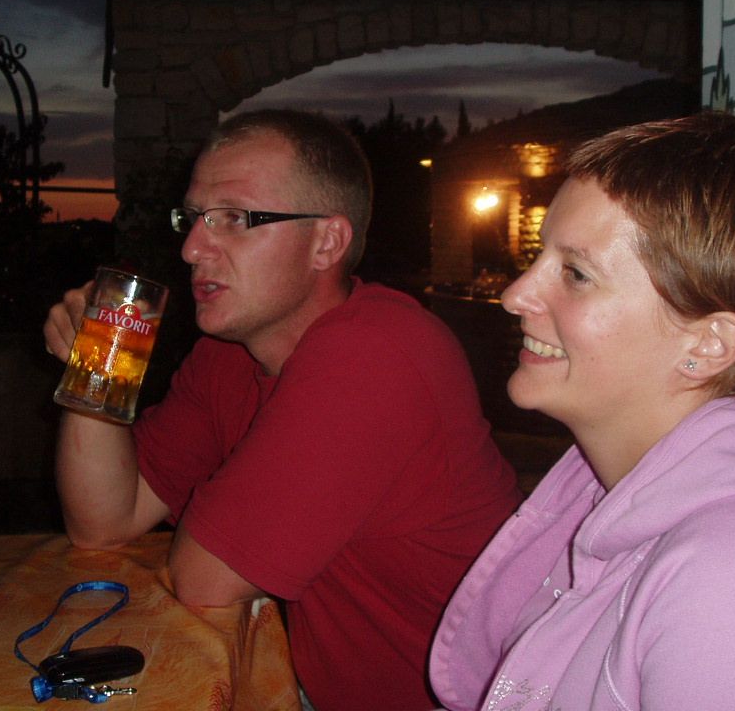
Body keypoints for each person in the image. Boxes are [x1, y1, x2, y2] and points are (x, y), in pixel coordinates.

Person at [44, 109, 521, 711]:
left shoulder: (378, 352)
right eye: (192, 218)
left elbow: (204, 581)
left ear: (327, 242)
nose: (192, 248)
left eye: (234, 218)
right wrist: (97, 368)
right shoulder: (229, 355)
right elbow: (103, 522)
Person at [428, 111, 735, 710]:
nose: (516, 295)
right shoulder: (609, 489)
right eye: (541, 257)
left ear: (707, 344)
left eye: (575, 273)